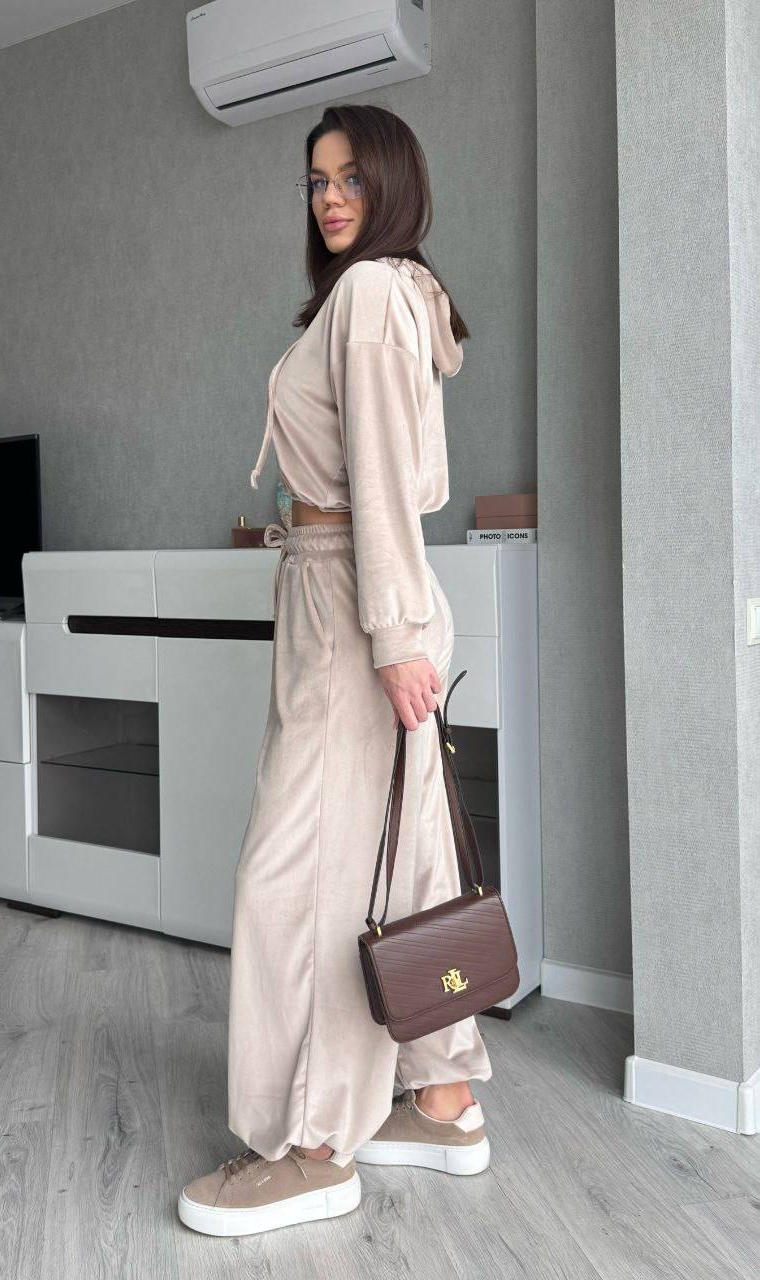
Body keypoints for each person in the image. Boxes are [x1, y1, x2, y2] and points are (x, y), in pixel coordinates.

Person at [177, 102, 493, 1239]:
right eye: (316, 180)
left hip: (355, 603)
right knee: (400, 866)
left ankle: (311, 1146)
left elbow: (376, 476)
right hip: (354, 596)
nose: (329, 197)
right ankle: (443, 1098)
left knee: (299, 881)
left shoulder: (367, 297)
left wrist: (395, 636)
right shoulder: (393, 294)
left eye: (351, 175)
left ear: (394, 179)